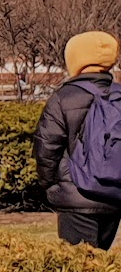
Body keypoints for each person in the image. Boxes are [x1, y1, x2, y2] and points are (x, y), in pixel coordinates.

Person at [35, 31, 121, 248]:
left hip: (75, 197)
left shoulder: (63, 97)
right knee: (100, 267)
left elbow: (46, 149)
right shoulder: (119, 94)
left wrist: (52, 187)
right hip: (113, 196)